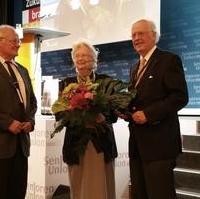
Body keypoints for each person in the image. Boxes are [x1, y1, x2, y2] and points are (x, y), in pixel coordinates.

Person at [127, 19, 188, 199]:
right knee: (140, 194)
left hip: (160, 145)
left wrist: (148, 114)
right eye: (133, 35)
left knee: (160, 194)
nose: (136, 38)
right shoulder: (134, 67)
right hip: (137, 145)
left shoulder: (168, 60)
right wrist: (124, 110)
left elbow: (179, 97)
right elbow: (136, 100)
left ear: (154, 36)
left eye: (141, 33)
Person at [58, 40, 117, 199]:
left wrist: (103, 116)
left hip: (101, 142)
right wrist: (72, 113)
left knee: (103, 185)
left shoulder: (105, 81)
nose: (81, 59)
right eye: (77, 55)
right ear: (73, 60)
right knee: (78, 185)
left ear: (93, 59)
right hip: (76, 143)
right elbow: (59, 115)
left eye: (85, 55)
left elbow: (114, 113)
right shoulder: (65, 83)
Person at [0, 25, 37, 199]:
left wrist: (31, 121)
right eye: (14, 40)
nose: (18, 44)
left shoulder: (22, 70)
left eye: (18, 40)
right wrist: (7, 123)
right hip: (1, 145)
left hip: (21, 147)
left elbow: (32, 102)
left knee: (17, 192)